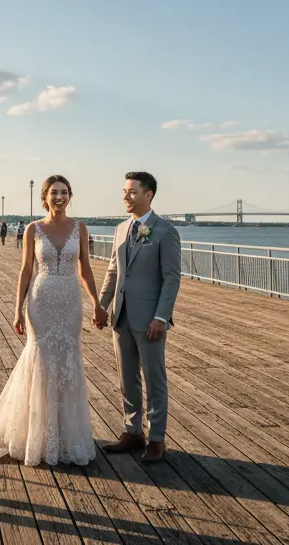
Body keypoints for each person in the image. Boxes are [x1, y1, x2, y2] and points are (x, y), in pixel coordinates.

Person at [0, 175, 105, 466]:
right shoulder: (33, 229)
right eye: (54, 192)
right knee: (40, 359)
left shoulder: (80, 228)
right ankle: (35, 432)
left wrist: (97, 304)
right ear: (45, 197)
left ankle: (64, 433)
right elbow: (26, 270)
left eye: (64, 192)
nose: (59, 197)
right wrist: (17, 310)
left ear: (70, 196)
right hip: (42, 300)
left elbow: (85, 268)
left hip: (70, 301)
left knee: (67, 358)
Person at [98, 172, 181, 463]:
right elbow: (113, 271)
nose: (125, 196)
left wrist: (161, 317)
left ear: (148, 195)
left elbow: (171, 279)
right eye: (124, 191)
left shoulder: (165, 231)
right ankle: (132, 432)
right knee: (127, 378)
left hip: (150, 320)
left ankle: (156, 438)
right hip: (120, 315)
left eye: (132, 192)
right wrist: (101, 305)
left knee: (154, 378)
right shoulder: (120, 229)